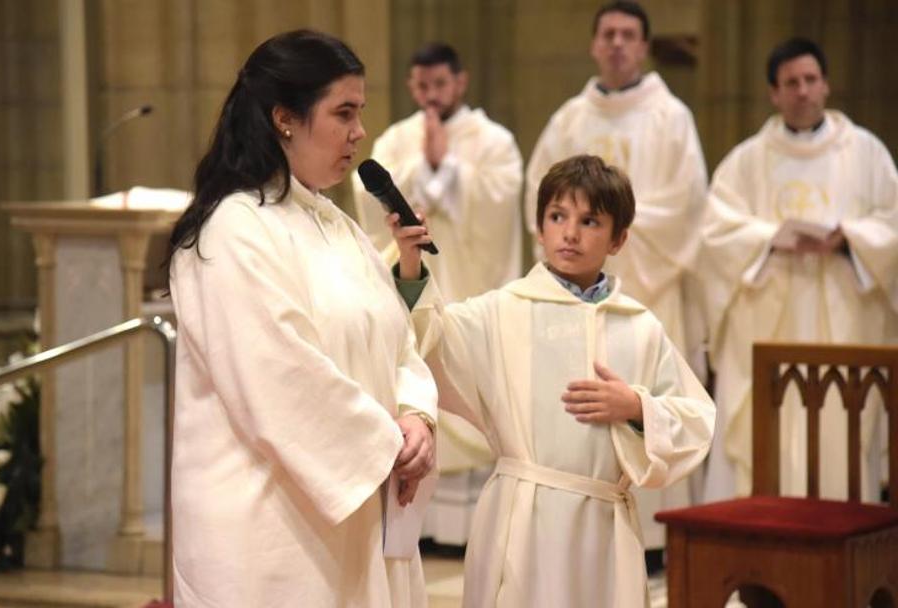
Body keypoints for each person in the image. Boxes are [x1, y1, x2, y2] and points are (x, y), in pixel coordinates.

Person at [164, 30, 438, 607]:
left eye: (359, 112)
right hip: (271, 533)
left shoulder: (335, 225)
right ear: (284, 118)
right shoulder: (231, 230)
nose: (359, 132)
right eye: (344, 112)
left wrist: (417, 417)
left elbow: (396, 343)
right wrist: (387, 443)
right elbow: (279, 376)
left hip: (362, 506)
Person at [391, 155, 715, 607]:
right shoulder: (504, 311)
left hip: (603, 526)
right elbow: (431, 341)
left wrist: (637, 407)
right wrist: (411, 267)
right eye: (557, 217)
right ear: (539, 228)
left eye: (590, 221)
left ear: (619, 239)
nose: (570, 233)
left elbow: (695, 418)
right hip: (521, 519)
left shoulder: (639, 326)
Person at [522, 0, 709, 556]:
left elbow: (689, 208)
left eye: (629, 34)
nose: (619, 43)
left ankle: (657, 535)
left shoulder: (670, 116)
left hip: (647, 291)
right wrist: (589, 234)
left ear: (644, 46)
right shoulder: (569, 119)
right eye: (609, 34)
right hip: (575, 294)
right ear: (594, 44)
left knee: (647, 396)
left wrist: (614, 230)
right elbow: (541, 193)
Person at [700, 37, 898, 502]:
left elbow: (892, 222)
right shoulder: (747, 159)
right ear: (774, 93)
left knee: (839, 430)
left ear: (826, 86)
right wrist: (771, 238)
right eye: (791, 83)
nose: (802, 91)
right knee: (767, 430)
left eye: (811, 80)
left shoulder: (866, 153)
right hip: (768, 318)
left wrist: (849, 238)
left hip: (843, 319)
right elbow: (715, 233)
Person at [353, 42, 523, 546]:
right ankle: (418, 529)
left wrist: (447, 169)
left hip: (471, 286)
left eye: (440, 86)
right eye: (421, 87)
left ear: (460, 82)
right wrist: (422, 168)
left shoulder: (494, 141)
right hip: (412, 289)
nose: (430, 96)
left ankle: (468, 531)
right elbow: (369, 205)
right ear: (410, 85)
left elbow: (500, 203)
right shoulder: (395, 139)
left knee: (468, 392)